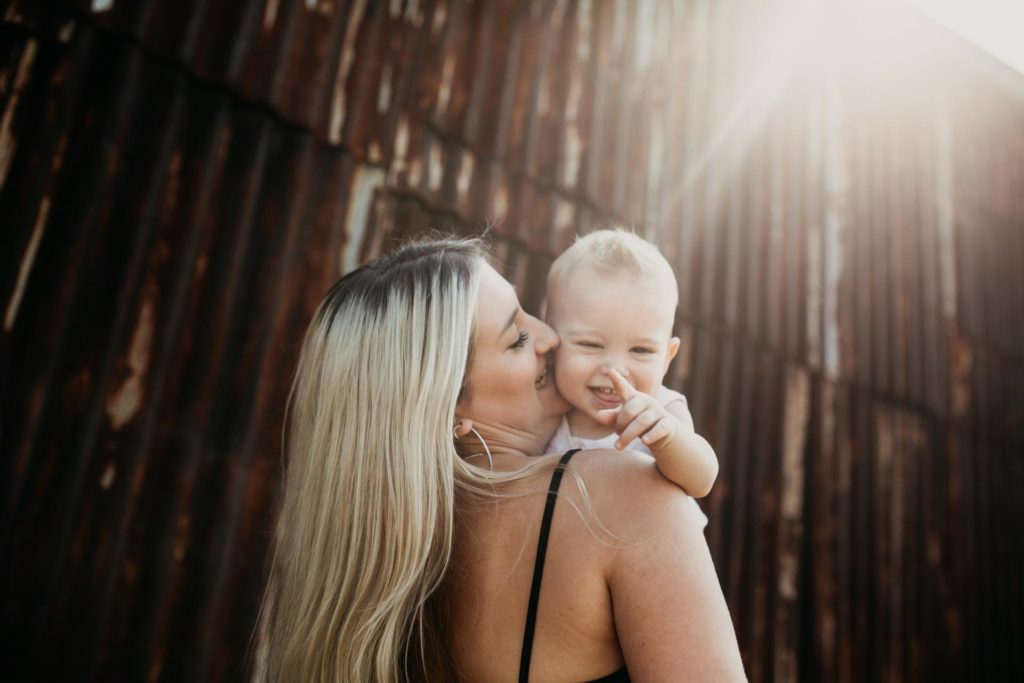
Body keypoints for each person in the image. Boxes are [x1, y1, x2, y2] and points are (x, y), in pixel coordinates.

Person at [253, 236, 746, 682]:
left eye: (529, 313)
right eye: (518, 338)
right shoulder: (622, 496)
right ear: (449, 406)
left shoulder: (384, 562)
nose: (550, 337)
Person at [544, 229, 718, 527]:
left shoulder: (662, 410)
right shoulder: (546, 406)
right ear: (552, 338)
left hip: (654, 552)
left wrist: (667, 439)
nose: (615, 369)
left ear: (667, 357)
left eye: (640, 350)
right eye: (590, 345)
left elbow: (701, 480)